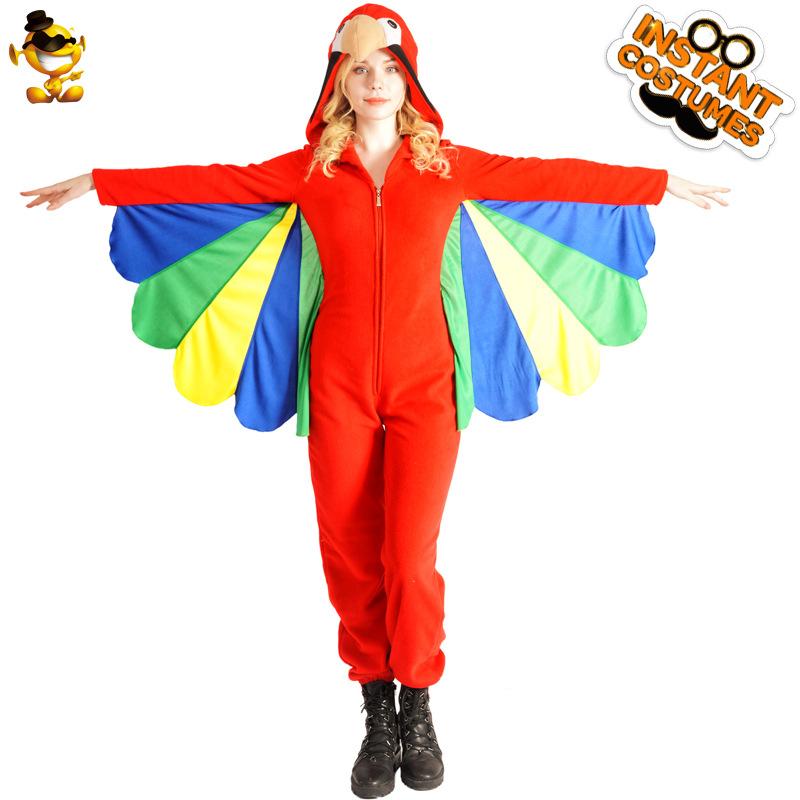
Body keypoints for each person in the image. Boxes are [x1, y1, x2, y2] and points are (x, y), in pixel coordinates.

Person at [20, 4, 730, 797]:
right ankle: (376, 707)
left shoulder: (450, 166)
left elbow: (554, 174)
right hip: (339, 390)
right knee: (350, 552)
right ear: (339, 84)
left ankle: (418, 700)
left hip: (428, 391)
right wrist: (102, 183)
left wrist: (658, 183)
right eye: (359, 68)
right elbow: (213, 180)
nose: (376, 80)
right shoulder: (310, 171)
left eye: (389, 67)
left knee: (410, 555)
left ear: (410, 78)